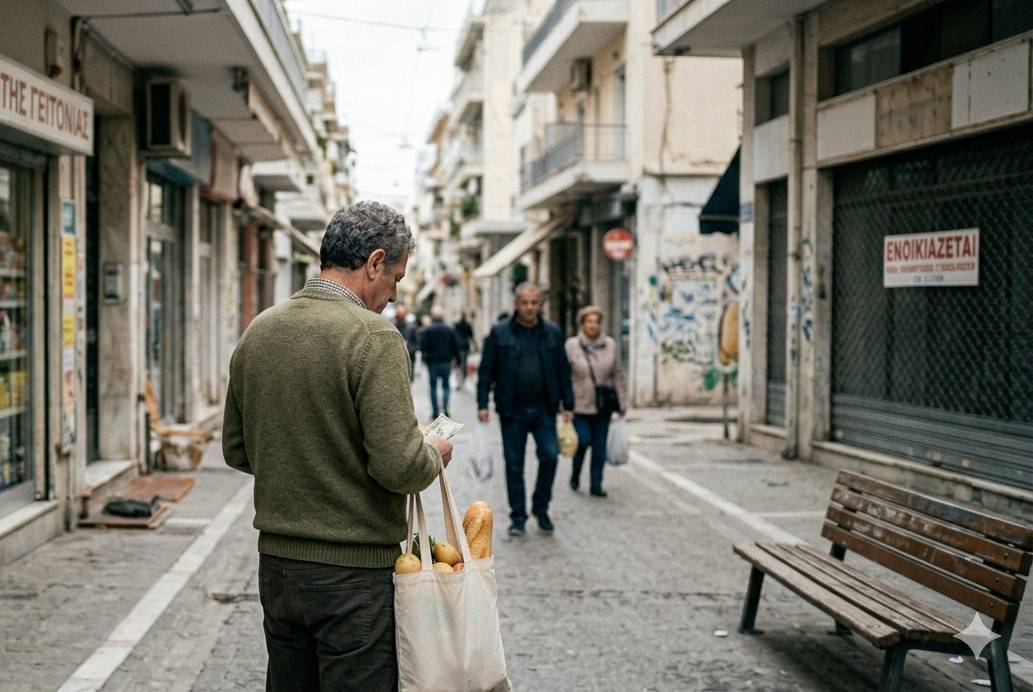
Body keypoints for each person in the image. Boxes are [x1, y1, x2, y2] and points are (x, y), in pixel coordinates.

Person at [223, 201, 454, 692]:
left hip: (278, 570)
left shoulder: (260, 329)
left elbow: (237, 449)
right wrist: (433, 451)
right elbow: (399, 466)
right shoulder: (373, 337)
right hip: (353, 575)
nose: (394, 294)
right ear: (374, 262)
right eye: (395, 278)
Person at [477, 283, 574, 536]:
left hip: (545, 409)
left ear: (540, 305)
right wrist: (482, 403)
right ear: (516, 304)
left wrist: (568, 403)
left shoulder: (552, 333)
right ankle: (518, 517)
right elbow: (486, 369)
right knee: (514, 465)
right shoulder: (499, 332)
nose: (529, 307)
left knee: (550, 456)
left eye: (534, 303)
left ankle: (541, 508)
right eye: (525, 302)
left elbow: (563, 370)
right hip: (512, 410)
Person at [565, 305, 627, 497]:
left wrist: (622, 402)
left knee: (599, 447)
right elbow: (564, 375)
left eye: (596, 322)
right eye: (589, 321)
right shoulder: (572, 346)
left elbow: (618, 374)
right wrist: (564, 404)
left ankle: (596, 484)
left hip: (603, 404)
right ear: (582, 324)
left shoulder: (610, 345)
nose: (593, 325)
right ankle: (576, 473)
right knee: (583, 441)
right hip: (579, 404)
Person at [420, 305, 460, 419]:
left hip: (432, 362)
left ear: (433, 316)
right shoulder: (449, 329)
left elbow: (423, 346)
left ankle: (435, 411)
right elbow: (455, 345)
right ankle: (445, 406)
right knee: (446, 385)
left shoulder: (427, 330)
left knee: (433, 387)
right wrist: (457, 359)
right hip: (446, 362)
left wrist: (424, 359)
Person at [392, 304, 419, 381]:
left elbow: (417, 344)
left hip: (409, 359)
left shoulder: (412, 328)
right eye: (399, 315)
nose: (400, 317)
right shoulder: (392, 327)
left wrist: (409, 349)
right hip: (396, 360)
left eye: (402, 315)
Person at [454, 312, 475, 386]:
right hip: (465, 346)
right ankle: (462, 378)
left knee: (458, 363)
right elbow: (471, 336)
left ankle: (459, 379)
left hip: (458, 346)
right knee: (464, 363)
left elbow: (454, 335)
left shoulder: (457, 325)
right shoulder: (467, 325)